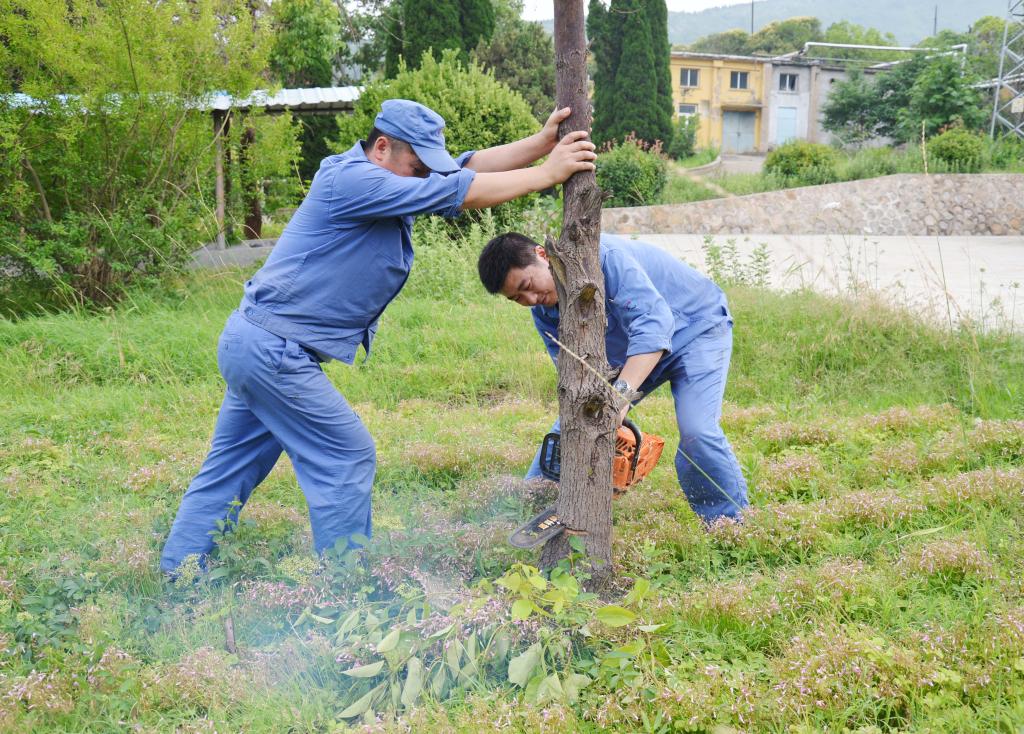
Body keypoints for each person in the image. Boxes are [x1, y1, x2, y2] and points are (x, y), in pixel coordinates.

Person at [160, 100, 597, 574]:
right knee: (347, 453)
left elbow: (465, 166)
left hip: (256, 343)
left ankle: (179, 573)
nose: (420, 178)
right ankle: (344, 586)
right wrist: (547, 174)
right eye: (415, 168)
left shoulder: (388, 175)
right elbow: (459, 190)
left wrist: (541, 144)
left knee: (230, 468)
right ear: (381, 147)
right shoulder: (350, 179)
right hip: (271, 349)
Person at [477, 232, 748, 524]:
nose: (531, 299)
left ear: (542, 255)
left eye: (527, 286)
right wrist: (592, 414)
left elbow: (655, 326)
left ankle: (727, 523)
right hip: (633, 351)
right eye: (518, 298)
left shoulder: (604, 258)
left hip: (695, 326)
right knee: (572, 427)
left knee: (698, 430)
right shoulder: (544, 312)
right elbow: (576, 376)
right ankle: (528, 515)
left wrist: (619, 398)